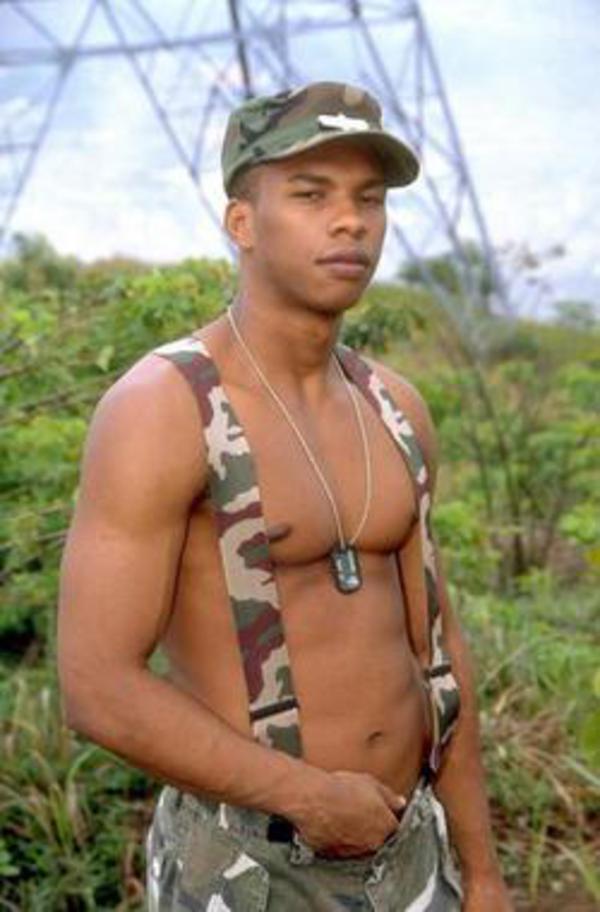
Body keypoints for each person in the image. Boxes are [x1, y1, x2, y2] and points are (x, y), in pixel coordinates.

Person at [58, 81, 512, 911]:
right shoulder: (165, 408)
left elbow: (439, 652)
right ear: (242, 222)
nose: (350, 222)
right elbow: (97, 685)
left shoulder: (395, 408)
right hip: (251, 862)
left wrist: (480, 872)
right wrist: (307, 797)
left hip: (412, 851)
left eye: (368, 199)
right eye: (311, 195)